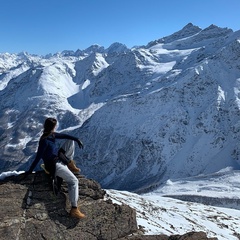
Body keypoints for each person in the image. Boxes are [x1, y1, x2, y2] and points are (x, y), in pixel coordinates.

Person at [25, 117, 85, 219]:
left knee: (70, 142)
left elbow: (63, 135)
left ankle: (70, 164)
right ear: (53, 126)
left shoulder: (51, 135)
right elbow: (38, 157)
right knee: (74, 181)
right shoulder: (44, 141)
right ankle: (74, 209)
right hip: (54, 165)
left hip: (58, 158)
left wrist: (76, 139)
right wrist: (30, 171)